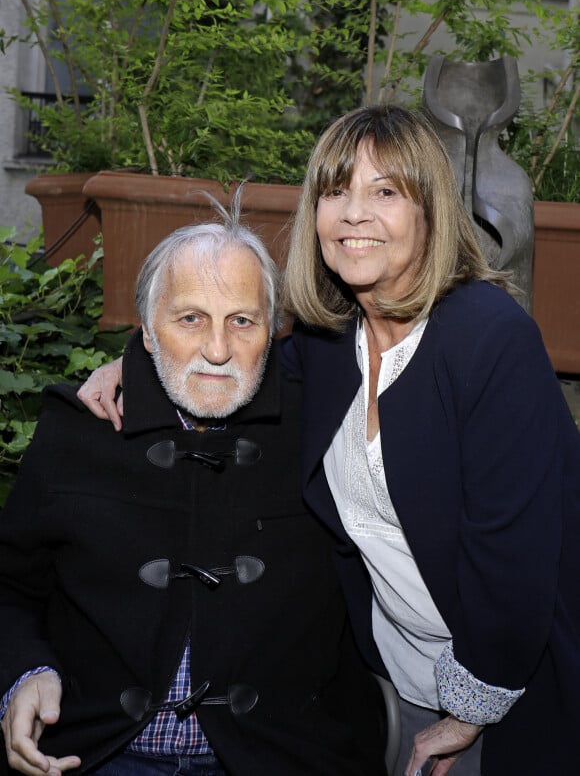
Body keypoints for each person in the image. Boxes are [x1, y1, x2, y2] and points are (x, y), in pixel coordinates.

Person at [76, 105, 580, 776]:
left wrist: (470, 708)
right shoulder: (328, 341)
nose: (353, 213)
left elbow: (512, 552)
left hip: (515, 677)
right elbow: (237, 368)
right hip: (397, 678)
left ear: (431, 210)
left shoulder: (489, 340)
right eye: (336, 191)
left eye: (385, 192)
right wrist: (134, 364)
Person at [0, 203, 387, 776]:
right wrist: (25, 675)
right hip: (98, 754)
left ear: (273, 333)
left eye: (242, 320)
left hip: (275, 758)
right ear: (149, 333)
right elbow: (8, 587)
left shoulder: (322, 434)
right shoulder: (78, 430)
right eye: (189, 319)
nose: (217, 350)